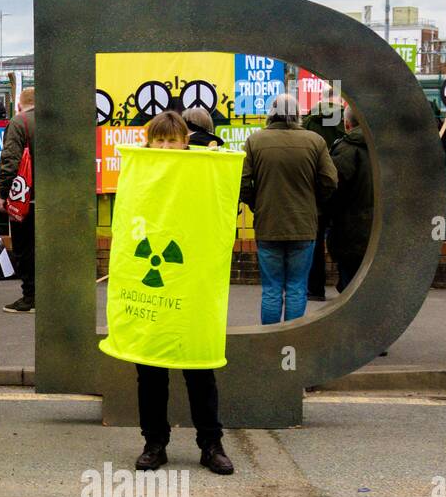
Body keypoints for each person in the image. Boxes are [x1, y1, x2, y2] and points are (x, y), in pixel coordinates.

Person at [132, 112, 233, 475]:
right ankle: (154, 443)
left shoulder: (201, 172)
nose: (165, 147)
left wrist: (217, 160)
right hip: (154, 278)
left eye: (171, 141)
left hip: (191, 282)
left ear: (184, 142)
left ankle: (211, 443)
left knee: (199, 366)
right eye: (158, 141)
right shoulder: (139, 174)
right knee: (151, 368)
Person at [240, 93, 337, 324]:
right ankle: (292, 339)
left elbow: (242, 182)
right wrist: (313, 203)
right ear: (297, 115)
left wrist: (257, 203)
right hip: (303, 225)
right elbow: (330, 181)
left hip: (268, 224)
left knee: (271, 289)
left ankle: (270, 340)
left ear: (270, 114)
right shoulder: (315, 141)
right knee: (296, 287)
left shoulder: (254, 141)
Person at [0, 86, 36, 313]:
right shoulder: (54, 122)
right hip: (51, 200)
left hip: (25, 199)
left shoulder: (19, 123)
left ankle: (30, 297)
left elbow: (10, 160)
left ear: (19, 104)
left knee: (24, 248)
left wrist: (2, 193)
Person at [303, 97, 346, 300]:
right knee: (344, 236)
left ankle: (315, 288)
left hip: (315, 191)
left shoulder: (309, 122)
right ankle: (346, 283)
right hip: (341, 187)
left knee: (316, 241)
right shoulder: (343, 120)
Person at [326, 106, 373, 292]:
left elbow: (333, 189)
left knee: (350, 287)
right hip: (383, 228)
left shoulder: (344, 150)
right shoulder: (387, 151)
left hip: (348, 228)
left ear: (347, 124)